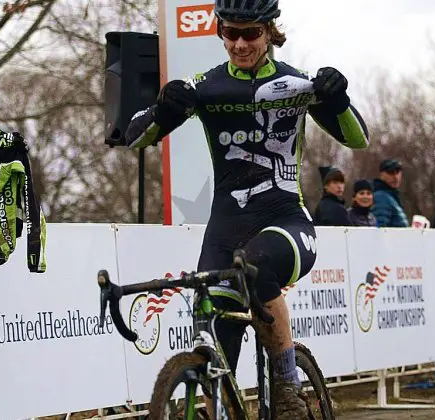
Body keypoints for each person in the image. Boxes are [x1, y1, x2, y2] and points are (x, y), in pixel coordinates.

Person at [116, 0, 369, 416]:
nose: (239, 43)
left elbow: (358, 140)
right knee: (214, 328)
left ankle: (287, 388)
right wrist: (164, 109)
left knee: (256, 267)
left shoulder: (297, 84)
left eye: (250, 33)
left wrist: (337, 100)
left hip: (285, 221)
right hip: (225, 228)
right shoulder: (208, 86)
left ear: (270, 31)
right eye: (230, 33)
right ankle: (215, 404)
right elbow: (135, 137)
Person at [371, 158, 409, 227]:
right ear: (382, 174)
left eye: (397, 172)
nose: (395, 177)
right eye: (391, 172)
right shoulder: (380, 197)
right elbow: (380, 229)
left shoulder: (391, 196)